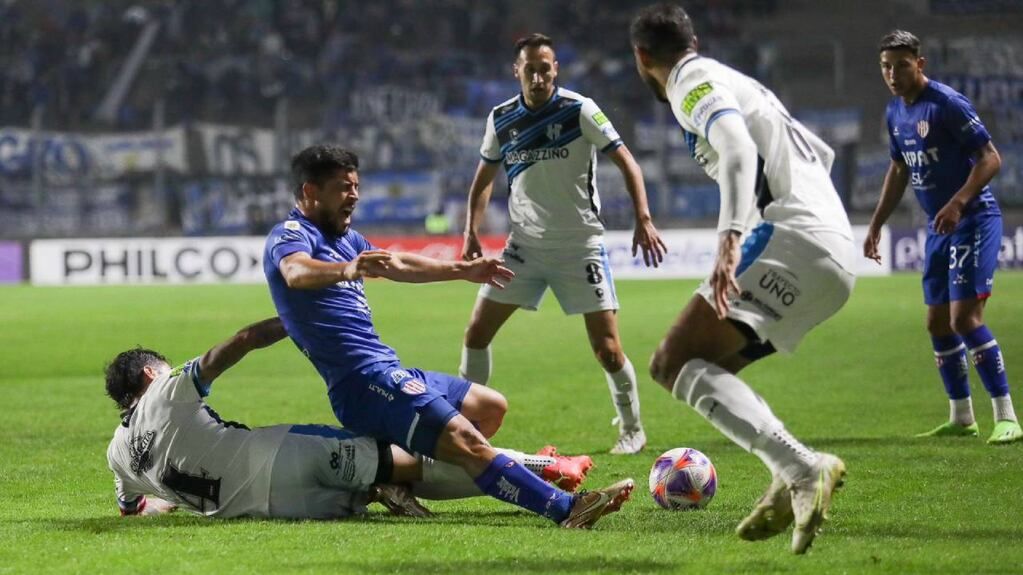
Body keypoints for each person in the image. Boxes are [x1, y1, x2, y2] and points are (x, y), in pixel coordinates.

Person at [263, 144, 634, 528]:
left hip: (386, 368)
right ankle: (566, 508)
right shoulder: (291, 234)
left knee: (490, 408)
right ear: (309, 192)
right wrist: (347, 269)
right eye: (343, 187)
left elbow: (400, 263)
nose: (354, 195)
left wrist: (462, 270)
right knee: (465, 441)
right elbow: (296, 272)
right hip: (362, 383)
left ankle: (393, 476)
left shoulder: (347, 238)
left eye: (356, 186)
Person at [630, 3, 856, 554]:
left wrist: (732, 237)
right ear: (695, 38)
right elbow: (817, 156)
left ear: (642, 59)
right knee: (709, 371)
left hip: (789, 236)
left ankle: (803, 468)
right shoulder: (740, 82)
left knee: (671, 361)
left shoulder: (691, 79)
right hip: (834, 251)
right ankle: (789, 472)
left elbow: (735, 148)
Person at [105, 317, 601, 520]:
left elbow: (134, 508)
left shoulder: (116, 455)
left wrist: (167, 503)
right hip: (285, 457)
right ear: (152, 373)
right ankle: (543, 467)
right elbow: (236, 344)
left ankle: (380, 488)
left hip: (274, 511)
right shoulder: (167, 390)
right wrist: (294, 320)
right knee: (416, 458)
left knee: (385, 475)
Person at [459, 33, 668, 455]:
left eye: (545, 67)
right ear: (517, 71)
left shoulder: (579, 110)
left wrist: (643, 217)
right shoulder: (501, 118)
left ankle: (632, 429)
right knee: (476, 333)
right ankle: (464, 426)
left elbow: (627, 161)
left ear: (556, 69)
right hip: (525, 247)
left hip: (580, 246)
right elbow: (484, 180)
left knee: (608, 351)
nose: (538, 75)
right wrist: (471, 231)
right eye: (530, 68)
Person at [864, 30, 1021, 445]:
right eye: (886, 66)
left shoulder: (947, 104)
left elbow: (991, 158)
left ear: (921, 63)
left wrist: (958, 202)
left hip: (972, 219)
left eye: (901, 64)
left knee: (964, 319)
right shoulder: (894, 112)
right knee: (936, 322)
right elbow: (899, 169)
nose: (893, 74)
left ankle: (1007, 416)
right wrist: (877, 223)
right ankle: (961, 417)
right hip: (939, 226)